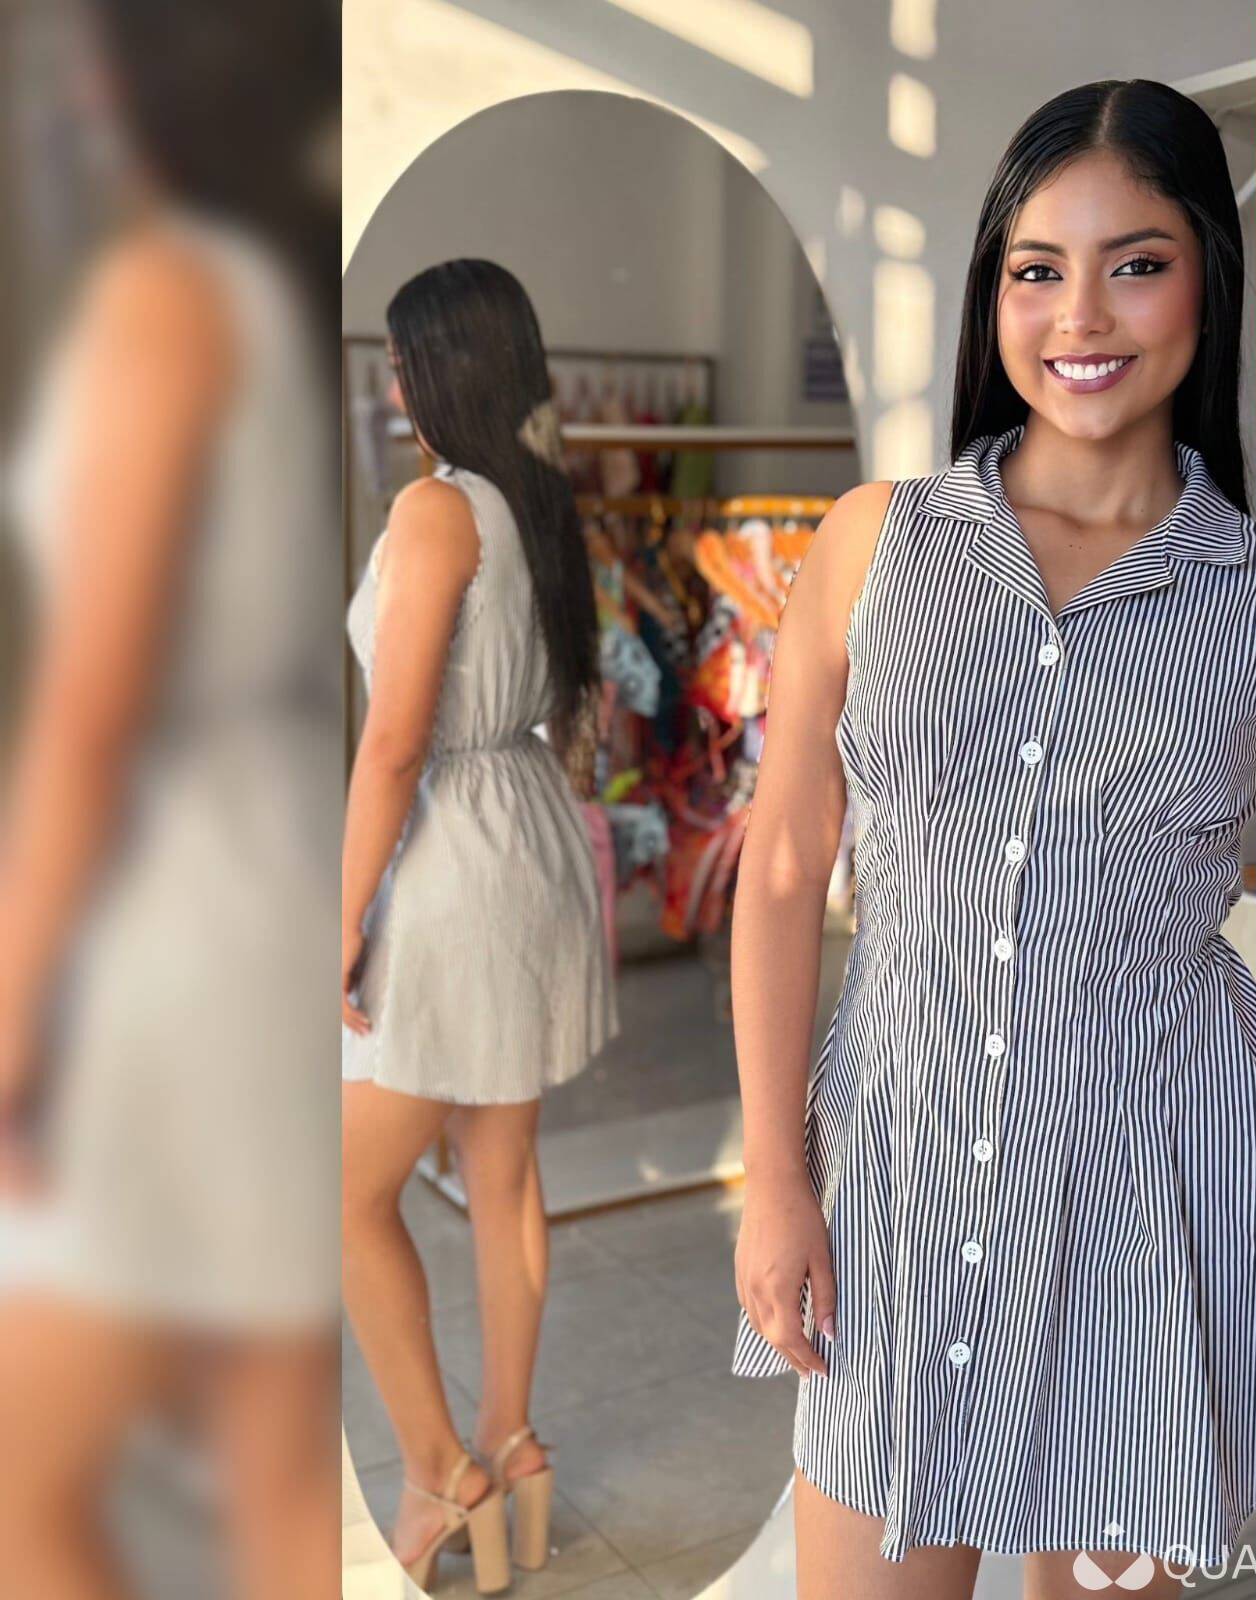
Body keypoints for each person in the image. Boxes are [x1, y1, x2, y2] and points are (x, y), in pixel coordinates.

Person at [730, 80, 1256, 1600]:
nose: (1081, 315)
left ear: (1209, 280)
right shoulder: (873, 543)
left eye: (1137, 263)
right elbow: (785, 867)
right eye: (1038, 269)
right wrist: (776, 1177)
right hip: (896, 1186)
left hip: (1158, 1195)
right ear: (993, 294)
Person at [0, 2, 340, 1596]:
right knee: (277, 1460)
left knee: (24, 1481)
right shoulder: (270, 298)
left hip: (173, 906)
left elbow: (91, 711)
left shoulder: (165, 299)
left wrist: (12, 1018)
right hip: (263, 880)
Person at [340, 258, 620, 1591]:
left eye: (403, 362)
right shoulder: (538, 501)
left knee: (339, 1195)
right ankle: (510, 1443)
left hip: (457, 847)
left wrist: (341, 918)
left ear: (433, 372)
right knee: (503, 1174)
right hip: (529, 833)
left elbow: (394, 743)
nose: (394, 384)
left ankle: (437, 1472)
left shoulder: (439, 507)